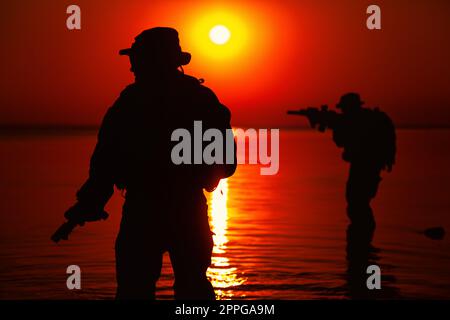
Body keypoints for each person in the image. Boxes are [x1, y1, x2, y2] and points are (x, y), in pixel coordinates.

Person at [62, 27, 237, 299]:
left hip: (147, 212)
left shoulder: (130, 103)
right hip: (182, 211)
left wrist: (90, 202)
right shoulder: (200, 100)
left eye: (138, 59)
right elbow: (226, 163)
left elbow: (105, 165)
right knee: (190, 290)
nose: (132, 67)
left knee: (137, 291)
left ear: (153, 60)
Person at [331, 93, 396, 228]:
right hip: (370, 167)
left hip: (364, 168)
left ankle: (362, 237)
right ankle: (363, 239)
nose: (342, 112)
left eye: (344, 108)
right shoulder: (368, 119)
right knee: (359, 203)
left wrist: (336, 127)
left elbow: (341, 142)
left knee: (356, 202)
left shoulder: (359, 122)